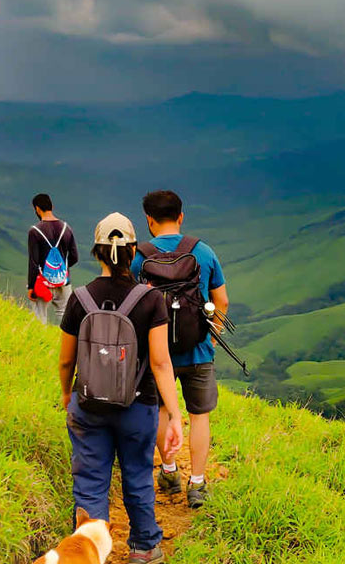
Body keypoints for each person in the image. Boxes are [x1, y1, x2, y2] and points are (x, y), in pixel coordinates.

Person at [59, 212, 183, 564]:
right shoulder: (150, 299)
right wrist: (174, 415)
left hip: (89, 405)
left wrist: (69, 395)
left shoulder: (79, 299)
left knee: (90, 481)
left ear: (97, 253)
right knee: (138, 477)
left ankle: (86, 554)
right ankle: (144, 547)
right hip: (138, 406)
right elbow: (160, 363)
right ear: (133, 252)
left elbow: (67, 361)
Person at [131, 190, 229, 509]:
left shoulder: (139, 257)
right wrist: (211, 337)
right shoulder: (203, 252)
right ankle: (197, 484)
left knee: (161, 411)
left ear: (149, 220)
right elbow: (222, 301)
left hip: (156, 355)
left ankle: (170, 472)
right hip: (198, 350)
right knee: (199, 417)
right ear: (181, 216)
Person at [28, 193, 79, 324]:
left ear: (37, 209)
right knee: (66, 320)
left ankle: (40, 344)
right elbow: (74, 257)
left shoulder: (34, 231)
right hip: (64, 282)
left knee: (39, 319)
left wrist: (31, 286)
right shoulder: (67, 228)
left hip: (42, 283)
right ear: (52, 206)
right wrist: (61, 270)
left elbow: (33, 262)